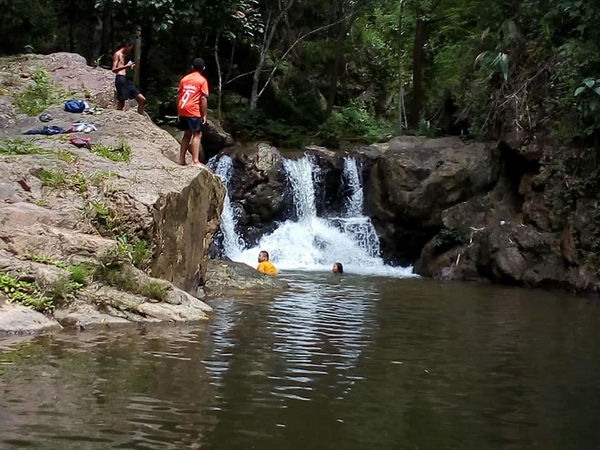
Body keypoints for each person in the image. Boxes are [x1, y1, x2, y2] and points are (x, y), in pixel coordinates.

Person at [177, 57, 209, 167]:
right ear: (203, 68)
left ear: (192, 67)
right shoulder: (202, 80)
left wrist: (179, 110)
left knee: (187, 134)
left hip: (182, 107)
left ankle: (181, 159)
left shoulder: (184, 79)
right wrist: (204, 114)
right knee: (197, 133)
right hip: (193, 109)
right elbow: (203, 98)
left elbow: (179, 95)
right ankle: (195, 161)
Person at [112, 40, 146, 114]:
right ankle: (117, 118)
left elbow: (121, 67)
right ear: (127, 45)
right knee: (122, 103)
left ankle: (140, 117)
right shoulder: (117, 54)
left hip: (126, 79)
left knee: (142, 99)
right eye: (130, 48)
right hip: (120, 78)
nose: (130, 50)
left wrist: (128, 67)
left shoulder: (123, 55)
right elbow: (114, 69)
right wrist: (126, 66)